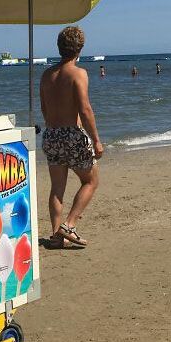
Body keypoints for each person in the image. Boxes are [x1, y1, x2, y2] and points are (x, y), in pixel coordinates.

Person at [40, 26, 103, 248]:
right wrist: (96, 139)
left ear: (59, 47)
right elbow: (85, 110)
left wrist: (54, 129)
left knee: (57, 188)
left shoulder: (47, 75)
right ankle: (70, 224)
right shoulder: (78, 74)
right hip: (71, 134)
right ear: (80, 49)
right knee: (91, 180)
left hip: (51, 134)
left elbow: (45, 109)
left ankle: (57, 236)